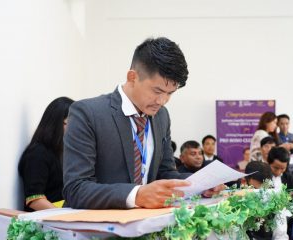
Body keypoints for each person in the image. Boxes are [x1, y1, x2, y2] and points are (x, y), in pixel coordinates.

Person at [63, 37, 224, 210]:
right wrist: (136, 195)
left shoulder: (162, 116)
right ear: (132, 77)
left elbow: (166, 173)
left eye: (170, 93)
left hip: (146, 225)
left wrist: (198, 186)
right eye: (157, 91)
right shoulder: (88, 113)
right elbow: (76, 188)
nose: (163, 101)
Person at [18, 97, 74, 211]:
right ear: (58, 123)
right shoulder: (37, 154)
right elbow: (35, 200)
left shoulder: (62, 151)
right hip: (44, 223)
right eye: (72, 124)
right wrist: (63, 218)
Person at [277, 114, 293, 186]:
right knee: (283, 191)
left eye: (287, 123)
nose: (285, 126)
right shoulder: (275, 137)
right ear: (278, 124)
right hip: (282, 169)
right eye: (282, 124)